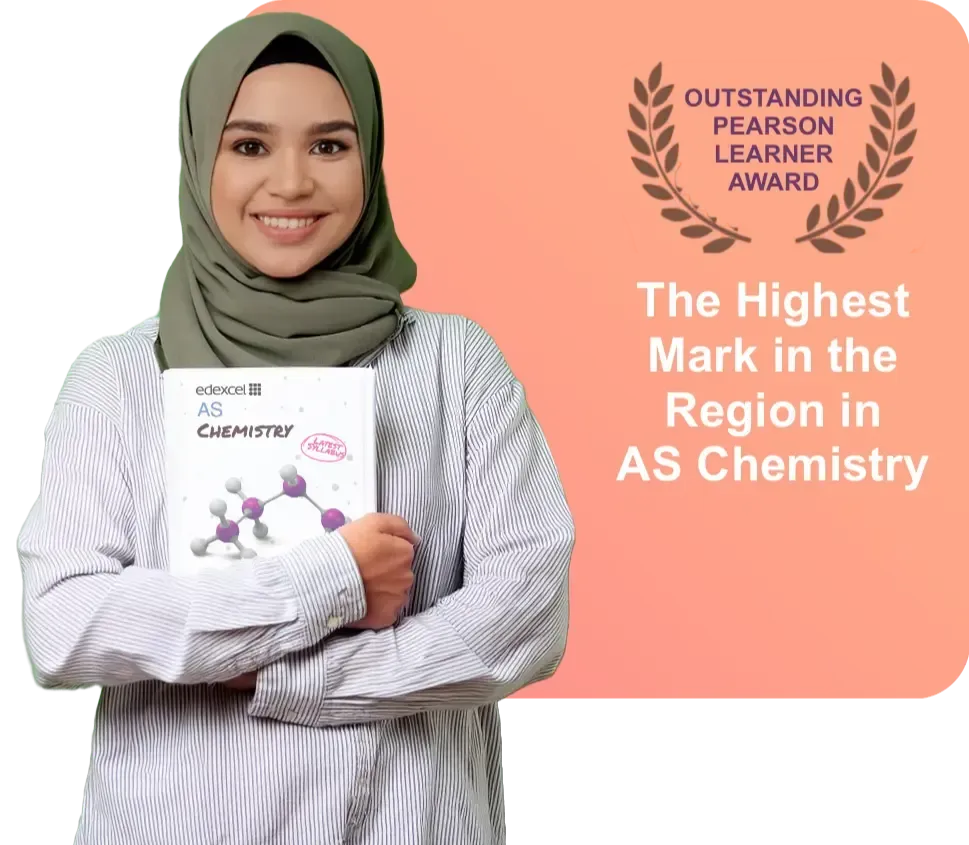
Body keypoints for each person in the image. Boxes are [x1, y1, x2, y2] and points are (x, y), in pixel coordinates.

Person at [16, 11, 574, 845]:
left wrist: (296, 679)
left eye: (328, 145)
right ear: (199, 156)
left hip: (406, 823)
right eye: (249, 146)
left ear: (371, 159)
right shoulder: (121, 373)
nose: (290, 183)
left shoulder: (455, 361)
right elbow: (64, 626)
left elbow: (523, 613)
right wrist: (327, 581)